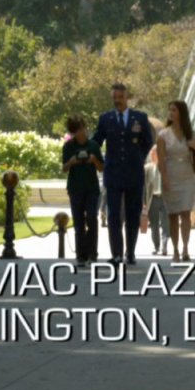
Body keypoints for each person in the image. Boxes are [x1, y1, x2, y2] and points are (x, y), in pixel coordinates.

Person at [92, 83, 155, 266]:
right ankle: (117, 254)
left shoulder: (140, 118)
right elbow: (97, 141)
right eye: (115, 98)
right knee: (113, 215)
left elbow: (147, 142)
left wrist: (137, 158)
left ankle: (131, 252)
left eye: (120, 97)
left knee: (132, 214)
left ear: (127, 97)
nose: (117, 101)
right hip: (113, 173)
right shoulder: (106, 118)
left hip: (133, 173)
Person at [156, 100, 195, 262]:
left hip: (187, 176)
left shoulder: (191, 133)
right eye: (170, 110)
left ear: (181, 113)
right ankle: (175, 250)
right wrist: (164, 179)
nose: (171, 113)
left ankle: (185, 248)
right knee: (172, 215)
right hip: (170, 175)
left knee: (185, 213)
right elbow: (161, 160)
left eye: (174, 110)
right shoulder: (163, 135)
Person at [62, 115, 103, 265]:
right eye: (77, 130)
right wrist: (72, 162)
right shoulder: (68, 146)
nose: (81, 132)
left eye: (82, 128)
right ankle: (81, 255)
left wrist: (94, 160)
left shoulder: (93, 145)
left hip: (92, 188)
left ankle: (92, 253)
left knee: (92, 218)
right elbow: (64, 169)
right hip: (75, 188)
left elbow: (101, 168)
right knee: (78, 222)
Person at [143, 147, 169, 256]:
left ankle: (164, 246)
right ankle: (156, 246)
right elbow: (144, 187)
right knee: (154, 225)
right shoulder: (147, 168)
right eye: (152, 154)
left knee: (166, 224)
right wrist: (144, 203)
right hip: (152, 199)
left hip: (165, 199)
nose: (153, 155)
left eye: (155, 153)